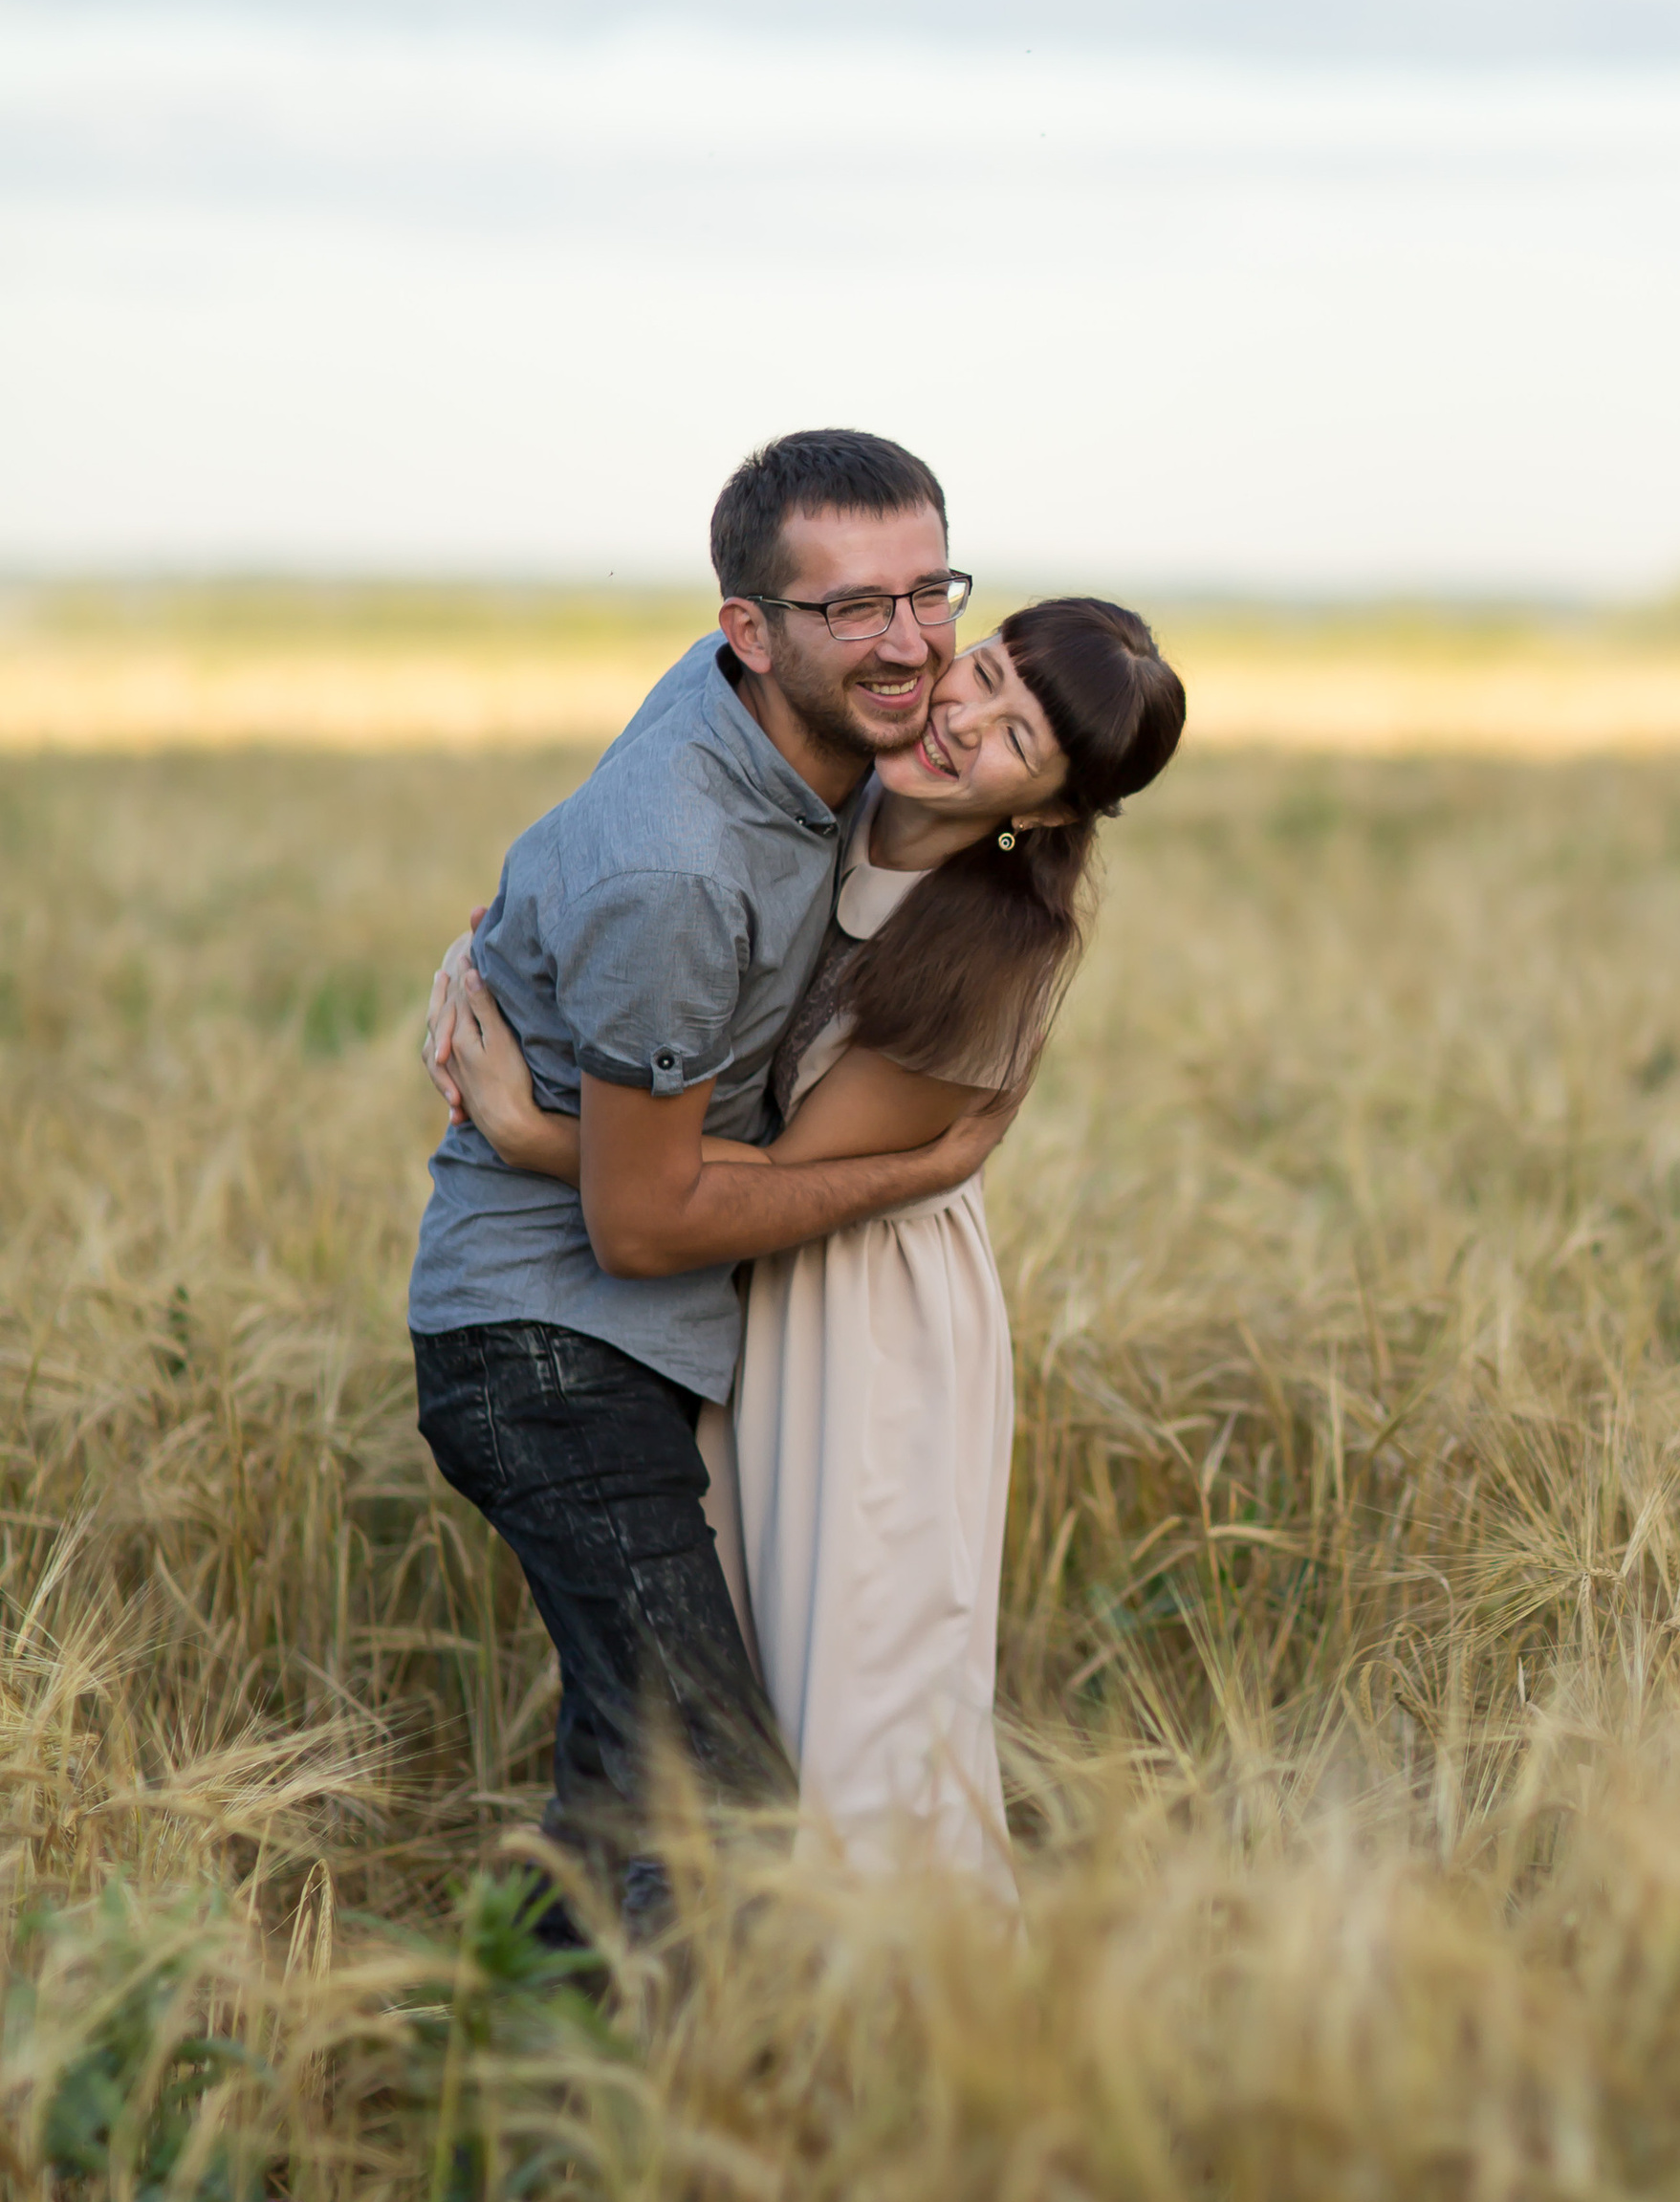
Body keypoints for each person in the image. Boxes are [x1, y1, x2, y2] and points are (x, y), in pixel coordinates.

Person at [430, 598, 1188, 1888]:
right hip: (736, 1276)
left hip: (858, 1308)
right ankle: (662, 2011)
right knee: (736, 1673)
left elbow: (785, 1171)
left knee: (862, 1680)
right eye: (986, 675)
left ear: (1048, 813)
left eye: (1015, 740)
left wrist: (530, 1130)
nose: (964, 724)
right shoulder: (815, 787)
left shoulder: (994, 949)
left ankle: (888, 2028)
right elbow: (641, 886)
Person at [408, 425, 1020, 1933]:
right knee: (721, 1798)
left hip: (632, 1340)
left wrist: (515, 928)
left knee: (629, 1796)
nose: (909, 644)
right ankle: (660, 2152)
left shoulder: (804, 742)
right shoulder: (681, 862)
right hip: (551, 1355)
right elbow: (641, 1220)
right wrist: (909, 1175)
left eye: (927, 591)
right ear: (744, 632)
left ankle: (518, 2130)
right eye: (850, 610)